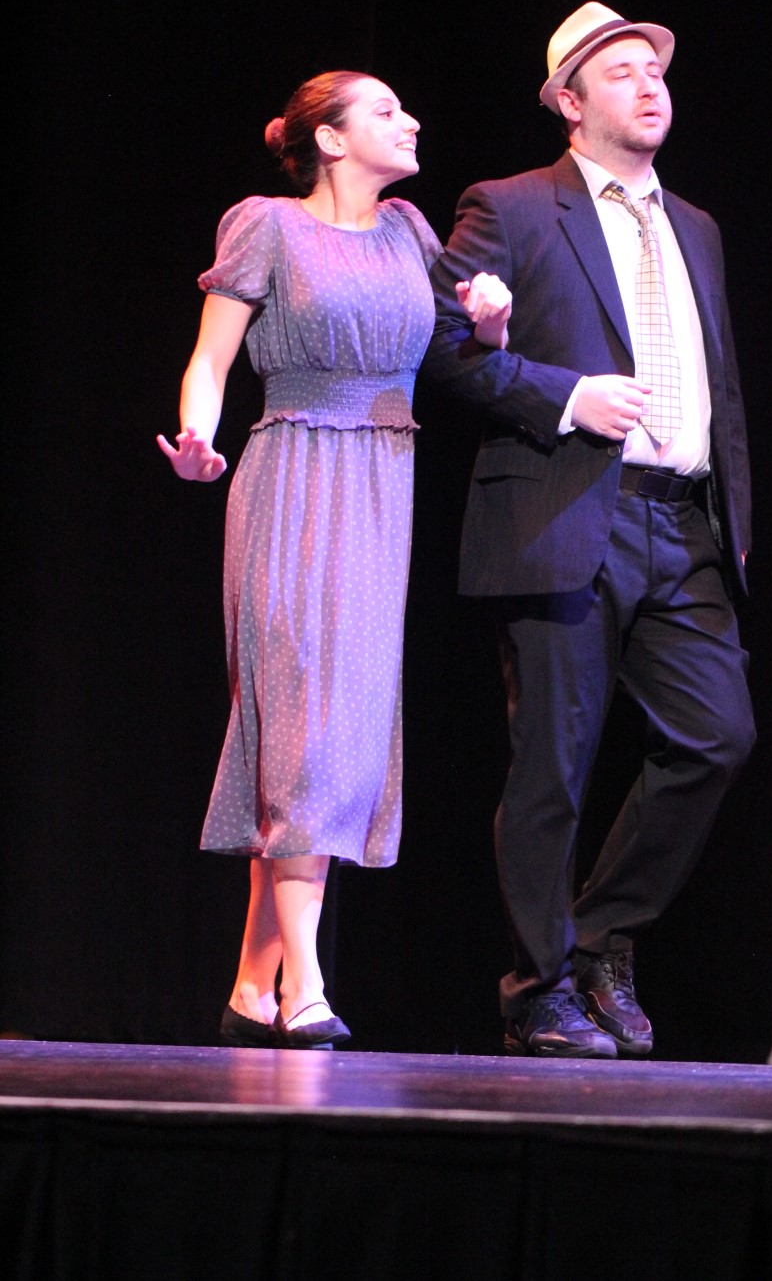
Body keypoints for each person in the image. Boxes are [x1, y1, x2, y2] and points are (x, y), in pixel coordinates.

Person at [421, 2, 757, 1058]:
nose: (649, 84)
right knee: (554, 766)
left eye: (656, 69)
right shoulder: (514, 208)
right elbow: (440, 344)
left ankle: (601, 936)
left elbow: (720, 384)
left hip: (681, 521)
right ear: (569, 102)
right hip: (568, 511)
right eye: (621, 72)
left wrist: (732, 512)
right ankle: (538, 990)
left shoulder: (695, 225)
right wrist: (568, 397)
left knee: (717, 736)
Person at [158, 70, 510, 1049]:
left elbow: (464, 346)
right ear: (331, 139)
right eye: (387, 111)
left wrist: (488, 317)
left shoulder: (409, 233)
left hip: (380, 486)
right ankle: (306, 986)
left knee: (333, 733)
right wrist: (196, 438)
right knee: (303, 722)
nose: (412, 121)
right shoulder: (267, 225)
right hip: (293, 474)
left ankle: (249, 987)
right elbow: (210, 360)